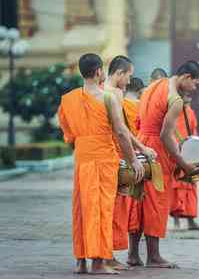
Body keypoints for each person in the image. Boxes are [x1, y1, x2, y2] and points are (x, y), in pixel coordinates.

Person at [58, 53, 144, 274]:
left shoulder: (68, 99)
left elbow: (68, 136)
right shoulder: (107, 98)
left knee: (82, 209)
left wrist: (84, 149)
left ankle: (81, 261)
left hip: (82, 160)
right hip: (104, 159)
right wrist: (133, 160)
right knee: (102, 210)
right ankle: (98, 261)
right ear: (98, 72)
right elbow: (121, 132)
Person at [128, 61, 199, 268]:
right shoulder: (176, 99)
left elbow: (139, 121)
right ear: (186, 77)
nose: (195, 88)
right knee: (156, 202)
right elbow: (164, 136)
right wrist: (184, 164)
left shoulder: (153, 86)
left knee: (139, 200)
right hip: (156, 150)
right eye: (195, 83)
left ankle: (133, 254)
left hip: (141, 144)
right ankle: (153, 257)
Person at [102, 56, 156, 271]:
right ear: (119, 73)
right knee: (110, 209)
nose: (129, 80)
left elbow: (122, 128)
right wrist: (136, 155)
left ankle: (107, 254)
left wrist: (140, 149)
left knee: (112, 208)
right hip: (111, 155)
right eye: (129, 75)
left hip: (109, 154)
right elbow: (121, 130)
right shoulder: (112, 94)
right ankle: (105, 255)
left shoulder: (104, 92)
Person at [170, 94, 199, 230]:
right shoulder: (172, 111)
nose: (189, 97)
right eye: (186, 95)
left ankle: (191, 221)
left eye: (190, 96)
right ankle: (176, 222)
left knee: (191, 187)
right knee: (177, 187)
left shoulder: (190, 112)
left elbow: (193, 131)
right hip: (177, 152)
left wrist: (198, 150)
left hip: (190, 153)